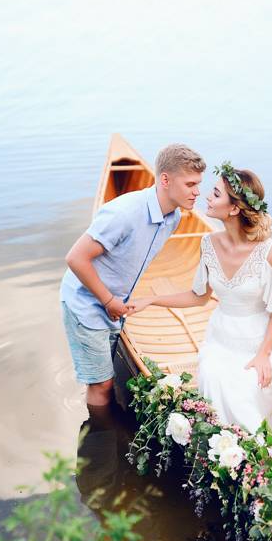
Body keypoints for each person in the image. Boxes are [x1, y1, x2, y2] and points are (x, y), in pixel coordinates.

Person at [127, 162, 272, 460]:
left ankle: (254, 459)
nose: (206, 196)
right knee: (214, 377)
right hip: (221, 340)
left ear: (234, 208)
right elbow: (199, 296)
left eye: (216, 194)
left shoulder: (269, 253)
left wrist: (263, 354)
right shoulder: (208, 243)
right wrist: (151, 300)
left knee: (244, 390)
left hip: (260, 344)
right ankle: (226, 455)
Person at [61, 144, 206, 413]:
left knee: (103, 378)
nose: (197, 191)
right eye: (190, 184)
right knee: (101, 385)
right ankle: (99, 430)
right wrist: (108, 301)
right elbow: (76, 258)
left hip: (115, 302)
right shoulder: (124, 213)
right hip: (86, 302)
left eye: (198, 184)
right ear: (165, 180)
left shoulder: (174, 217)